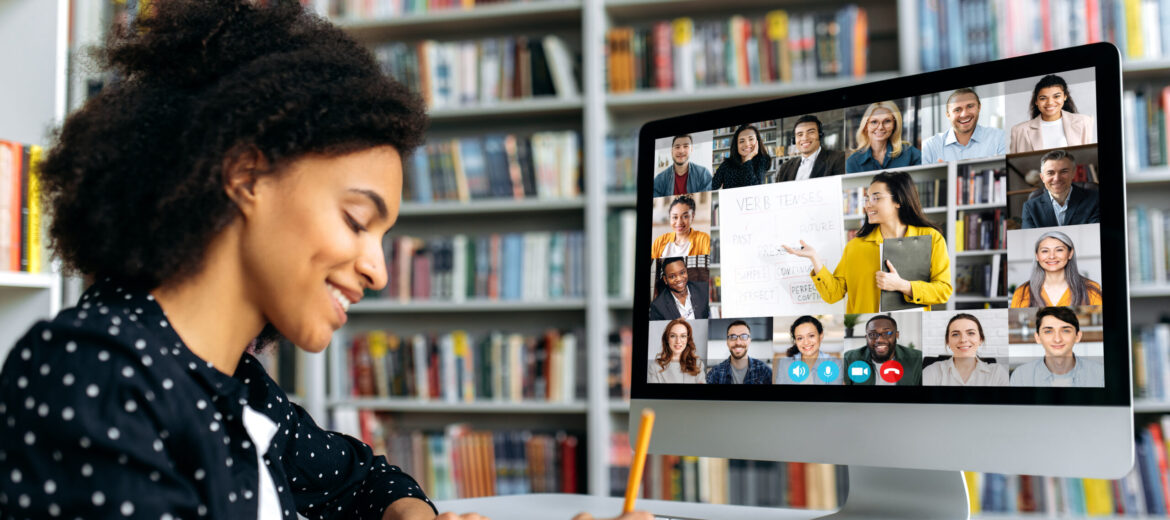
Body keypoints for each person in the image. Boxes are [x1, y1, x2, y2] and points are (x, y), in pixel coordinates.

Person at [0, 2, 652, 520]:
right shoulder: (93, 374)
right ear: (246, 174)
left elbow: (362, 482)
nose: (379, 270)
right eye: (356, 220)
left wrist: (407, 514)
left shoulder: (233, 385)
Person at [783, 171, 953, 313]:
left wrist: (903, 286)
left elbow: (943, 290)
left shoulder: (931, 238)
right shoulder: (855, 246)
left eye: (876, 198)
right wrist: (814, 258)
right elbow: (833, 294)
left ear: (899, 201)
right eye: (867, 198)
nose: (867, 205)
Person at [1010, 306, 1104, 387]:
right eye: (1048, 331)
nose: (1057, 339)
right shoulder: (1020, 377)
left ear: (1077, 336)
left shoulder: (1100, 375)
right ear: (1038, 337)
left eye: (1066, 330)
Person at [1010, 230, 1102, 307]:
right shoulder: (1021, 292)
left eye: (1059, 250)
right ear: (1037, 256)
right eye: (1045, 251)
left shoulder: (1092, 289)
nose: (1052, 256)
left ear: (1070, 253)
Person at [1009, 74, 1095, 153]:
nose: (1050, 102)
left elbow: (1089, 157)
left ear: (1065, 97)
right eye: (1043, 98)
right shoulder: (1020, 131)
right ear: (1036, 101)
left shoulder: (1084, 122)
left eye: (1056, 96)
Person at [920, 88, 1007, 164]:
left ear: (979, 108)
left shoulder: (1000, 138)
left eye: (970, 106)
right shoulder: (930, 147)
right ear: (948, 115)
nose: (964, 114)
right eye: (957, 110)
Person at [1020, 149, 1100, 228]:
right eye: (1050, 173)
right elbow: (1030, 240)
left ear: (1073, 173)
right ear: (1042, 177)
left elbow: (1095, 235)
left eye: (1063, 171)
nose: (1057, 178)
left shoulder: (1095, 199)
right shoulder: (1030, 207)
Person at [921, 314, 1009, 386]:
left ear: (980, 339)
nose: (963, 339)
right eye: (955, 334)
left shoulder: (998, 373)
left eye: (970, 333)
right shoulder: (932, 372)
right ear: (948, 341)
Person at [843, 315, 922, 386]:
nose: (879, 340)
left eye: (887, 333)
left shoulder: (917, 359)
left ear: (896, 335)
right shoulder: (849, 358)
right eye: (873, 334)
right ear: (866, 338)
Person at [845, 101, 921, 173]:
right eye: (874, 122)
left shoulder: (910, 153)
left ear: (895, 125)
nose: (880, 127)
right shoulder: (853, 162)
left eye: (887, 121)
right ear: (866, 126)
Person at [775, 115, 846, 182]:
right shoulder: (785, 168)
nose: (805, 138)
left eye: (811, 132)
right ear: (794, 140)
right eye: (800, 134)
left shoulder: (838, 159)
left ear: (820, 135)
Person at [775, 315, 843, 385]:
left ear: (821, 336)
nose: (806, 342)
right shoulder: (785, 363)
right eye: (800, 338)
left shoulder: (834, 364)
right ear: (795, 341)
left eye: (811, 336)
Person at [706, 320, 773, 384]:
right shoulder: (715, 374)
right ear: (727, 342)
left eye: (744, 336)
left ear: (749, 341)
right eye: (732, 337)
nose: (738, 342)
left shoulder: (764, 371)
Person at [647, 318, 707, 384]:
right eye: (673, 336)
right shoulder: (654, 367)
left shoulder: (698, 364)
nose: (678, 341)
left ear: (687, 339)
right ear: (667, 339)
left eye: (683, 336)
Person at [711, 124, 771, 189]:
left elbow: (754, 189)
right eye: (741, 141)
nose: (747, 144)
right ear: (736, 145)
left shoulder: (762, 161)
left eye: (751, 139)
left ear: (757, 142)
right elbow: (711, 187)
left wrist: (748, 160)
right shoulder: (727, 165)